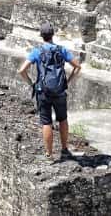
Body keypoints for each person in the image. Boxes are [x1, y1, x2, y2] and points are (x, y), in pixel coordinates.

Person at [17, 22, 81, 160]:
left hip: (43, 91)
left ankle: (49, 154)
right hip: (60, 91)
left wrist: (31, 84)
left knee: (46, 122)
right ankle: (64, 150)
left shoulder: (37, 51)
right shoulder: (61, 50)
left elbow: (22, 70)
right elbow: (77, 67)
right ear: (52, 35)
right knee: (63, 120)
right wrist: (67, 82)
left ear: (42, 36)